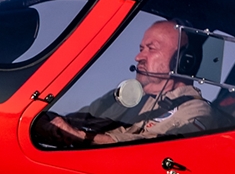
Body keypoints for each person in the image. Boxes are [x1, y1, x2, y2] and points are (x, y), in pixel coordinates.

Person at [47, 20, 212, 145]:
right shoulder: (128, 96)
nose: (138, 57)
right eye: (141, 49)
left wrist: (82, 137)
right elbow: (75, 120)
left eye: (151, 48)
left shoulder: (195, 111)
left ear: (182, 61)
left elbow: (150, 148)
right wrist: (49, 125)